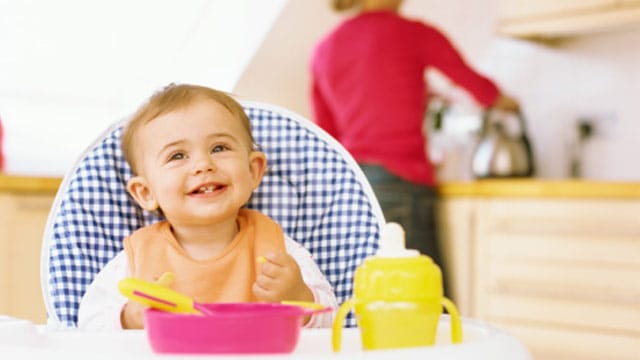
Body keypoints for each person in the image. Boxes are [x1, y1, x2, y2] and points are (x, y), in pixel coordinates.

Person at [78, 83, 337, 330]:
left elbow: (334, 321)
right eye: (177, 156)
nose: (203, 164)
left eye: (219, 148)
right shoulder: (138, 259)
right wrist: (129, 319)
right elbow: (87, 326)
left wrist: (299, 295)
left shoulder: (276, 249)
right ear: (145, 192)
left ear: (253, 170)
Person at [310, 0, 520, 290]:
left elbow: (327, 135)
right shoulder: (411, 32)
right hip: (402, 182)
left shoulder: (325, 48)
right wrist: (513, 104)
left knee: (374, 301)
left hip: (353, 190)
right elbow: (482, 91)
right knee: (426, 303)